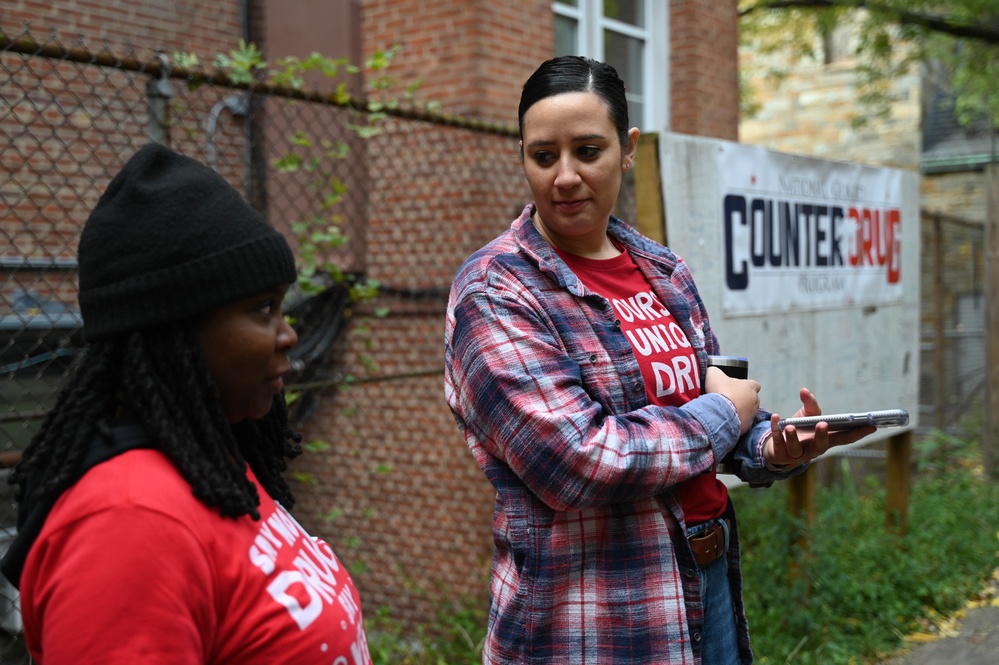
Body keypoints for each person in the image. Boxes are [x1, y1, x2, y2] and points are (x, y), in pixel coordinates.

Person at [443, 56, 874, 665]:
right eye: (543, 156)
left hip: (709, 580)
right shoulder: (496, 291)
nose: (565, 176)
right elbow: (578, 460)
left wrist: (771, 446)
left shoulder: (663, 271)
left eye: (588, 150)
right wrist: (727, 414)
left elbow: (703, 409)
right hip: (593, 619)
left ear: (627, 149)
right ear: (522, 156)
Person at [1, 143, 371, 664]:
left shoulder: (210, 462)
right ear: (175, 333)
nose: (289, 334)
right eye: (262, 308)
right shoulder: (128, 523)